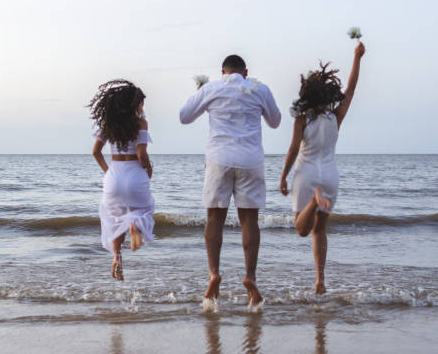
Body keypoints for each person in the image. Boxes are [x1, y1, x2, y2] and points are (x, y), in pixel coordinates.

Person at [179, 55, 281, 310]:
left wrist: (200, 93)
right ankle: (250, 276)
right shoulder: (259, 88)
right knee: (249, 221)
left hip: (219, 159)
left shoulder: (212, 87)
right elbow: (275, 121)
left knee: (214, 219)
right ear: (245, 72)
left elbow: (184, 116)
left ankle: (214, 273)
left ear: (222, 71)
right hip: (250, 160)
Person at [279, 42, 366, 294]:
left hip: (306, 175)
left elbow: (294, 149)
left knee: (301, 229)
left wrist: (283, 176)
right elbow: (351, 88)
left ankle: (314, 202)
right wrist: (357, 58)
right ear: (328, 94)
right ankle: (320, 280)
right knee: (319, 230)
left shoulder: (302, 118)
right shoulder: (336, 116)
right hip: (329, 176)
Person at [88, 79, 155, 281]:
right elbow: (141, 153)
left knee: (114, 219)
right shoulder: (140, 123)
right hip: (135, 173)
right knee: (144, 210)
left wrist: (108, 171)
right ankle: (135, 226)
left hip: (114, 177)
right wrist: (149, 169)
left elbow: (96, 151)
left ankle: (117, 258)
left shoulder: (109, 124)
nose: (143, 107)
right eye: (142, 103)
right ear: (135, 104)